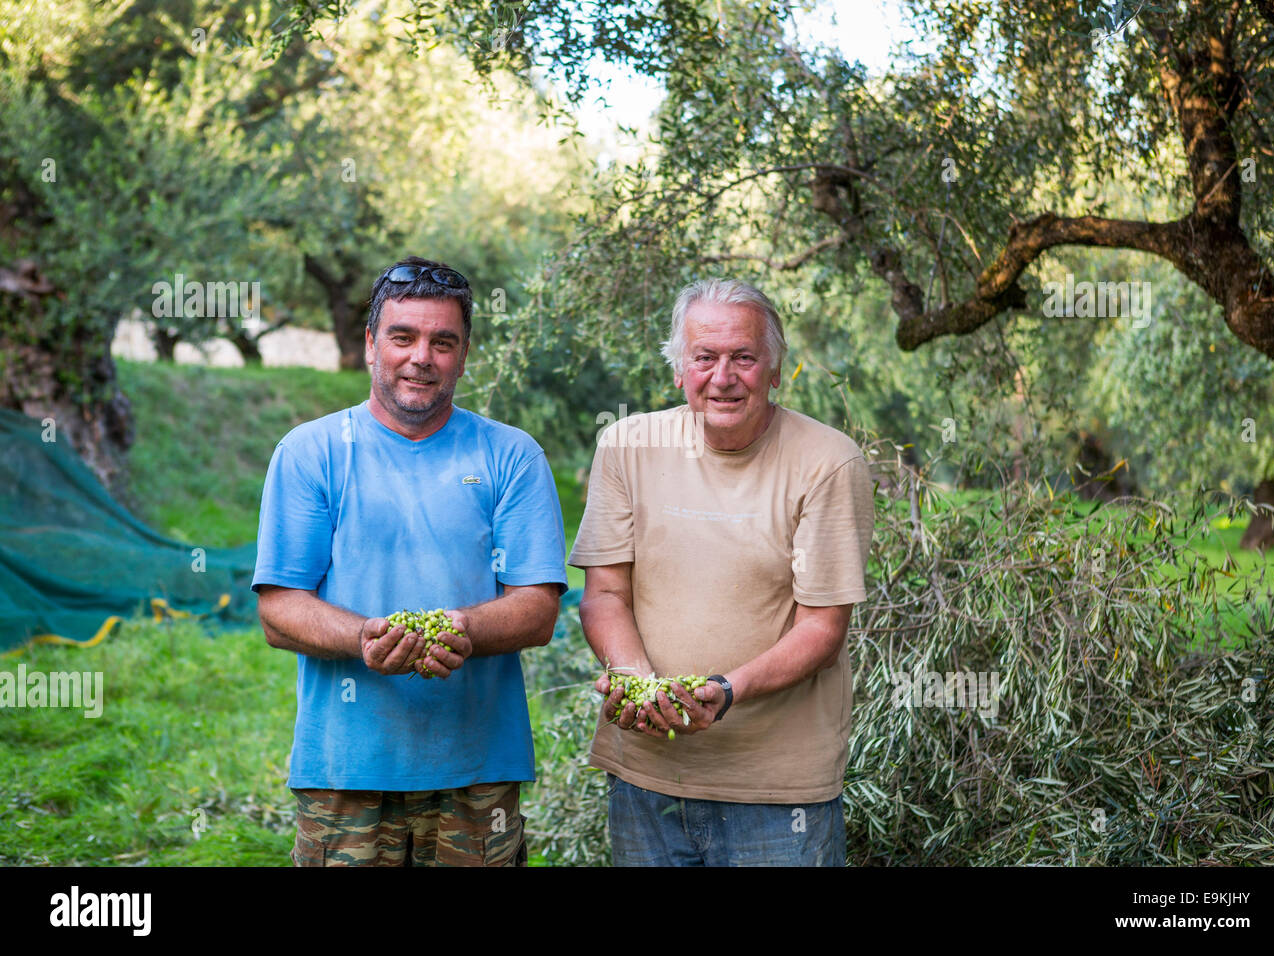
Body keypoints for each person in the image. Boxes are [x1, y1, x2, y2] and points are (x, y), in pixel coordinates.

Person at [253, 256, 568, 867]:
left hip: (478, 770)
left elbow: (537, 611)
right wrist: (363, 637)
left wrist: (465, 629)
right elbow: (279, 610)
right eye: (403, 337)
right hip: (344, 771)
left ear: (464, 353)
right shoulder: (311, 452)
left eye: (442, 342)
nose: (422, 356)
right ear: (372, 344)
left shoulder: (512, 456)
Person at [568, 277, 874, 866]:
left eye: (744, 357)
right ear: (679, 369)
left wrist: (725, 692)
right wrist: (638, 683)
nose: (723, 377)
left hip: (777, 793)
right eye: (705, 357)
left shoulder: (828, 462)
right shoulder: (627, 445)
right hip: (645, 775)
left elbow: (821, 630)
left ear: (776, 369)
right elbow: (604, 594)